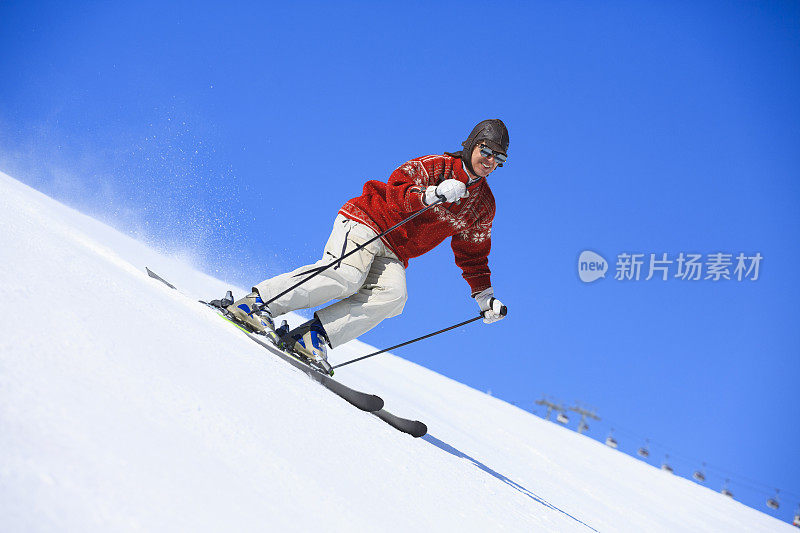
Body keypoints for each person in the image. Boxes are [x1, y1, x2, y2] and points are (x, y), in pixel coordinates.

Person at [227, 119, 509, 368]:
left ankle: (313, 336)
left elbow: (473, 253)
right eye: (485, 151)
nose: (490, 160)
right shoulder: (437, 166)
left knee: (393, 296)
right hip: (369, 222)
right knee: (346, 276)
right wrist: (431, 194)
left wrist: (484, 297)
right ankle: (257, 303)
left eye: (499, 158)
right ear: (472, 145)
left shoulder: (483, 205)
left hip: (395, 251)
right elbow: (397, 187)